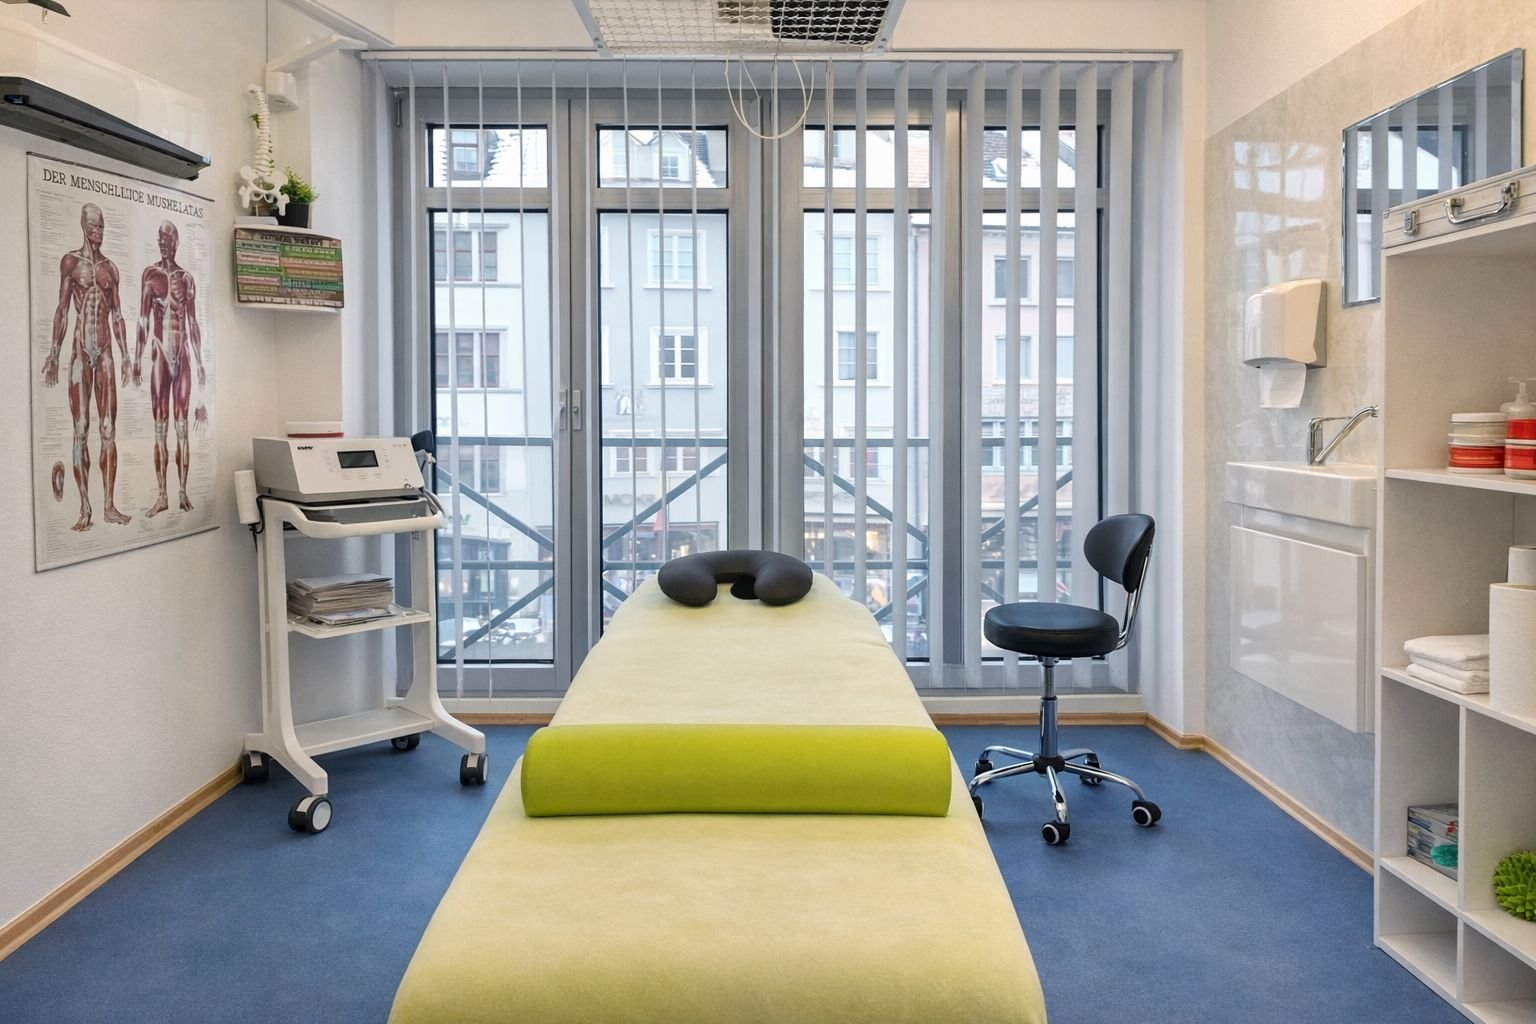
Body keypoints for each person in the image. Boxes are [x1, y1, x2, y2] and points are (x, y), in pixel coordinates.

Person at [43, 203, 131, 532]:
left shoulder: (110, 268)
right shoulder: (71, 263)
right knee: (81, 430)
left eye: (103, 227)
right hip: (81, 352)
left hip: (105, 351)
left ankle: (108, 506)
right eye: (94, 227)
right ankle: (85, 507)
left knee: (108, 431)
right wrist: (54, 352)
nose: (99, 232)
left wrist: (126, 355)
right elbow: (62, 309)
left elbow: (118, 315)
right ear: (83, 225)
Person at [134, 221, 206, 516]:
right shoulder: (149, 275)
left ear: (175, 242)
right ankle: (163, 494)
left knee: (182, 427)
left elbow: (192, 321)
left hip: (183, 355)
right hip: (161, 355)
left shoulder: (187, 278)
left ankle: (182, 492)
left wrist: (200, 361)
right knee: (160, 428)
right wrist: (137, 357)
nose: (162, 243)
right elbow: (142, 319)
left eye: (167, 238)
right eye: (159, 238)